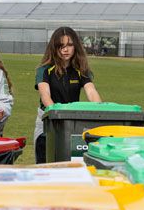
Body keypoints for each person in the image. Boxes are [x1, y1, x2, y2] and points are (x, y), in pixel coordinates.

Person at [34, 26, 102, 163]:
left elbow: (91, 91)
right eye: (61, 45)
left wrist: (100, 109)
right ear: (54, 47)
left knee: (70, 163)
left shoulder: (80, 69)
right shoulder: (44, 70)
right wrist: (56, 113)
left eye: (70, 45)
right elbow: (45, 95)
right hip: (48, 121)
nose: (65, 49)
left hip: (72, 122)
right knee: (45, 163)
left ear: (75, 46)